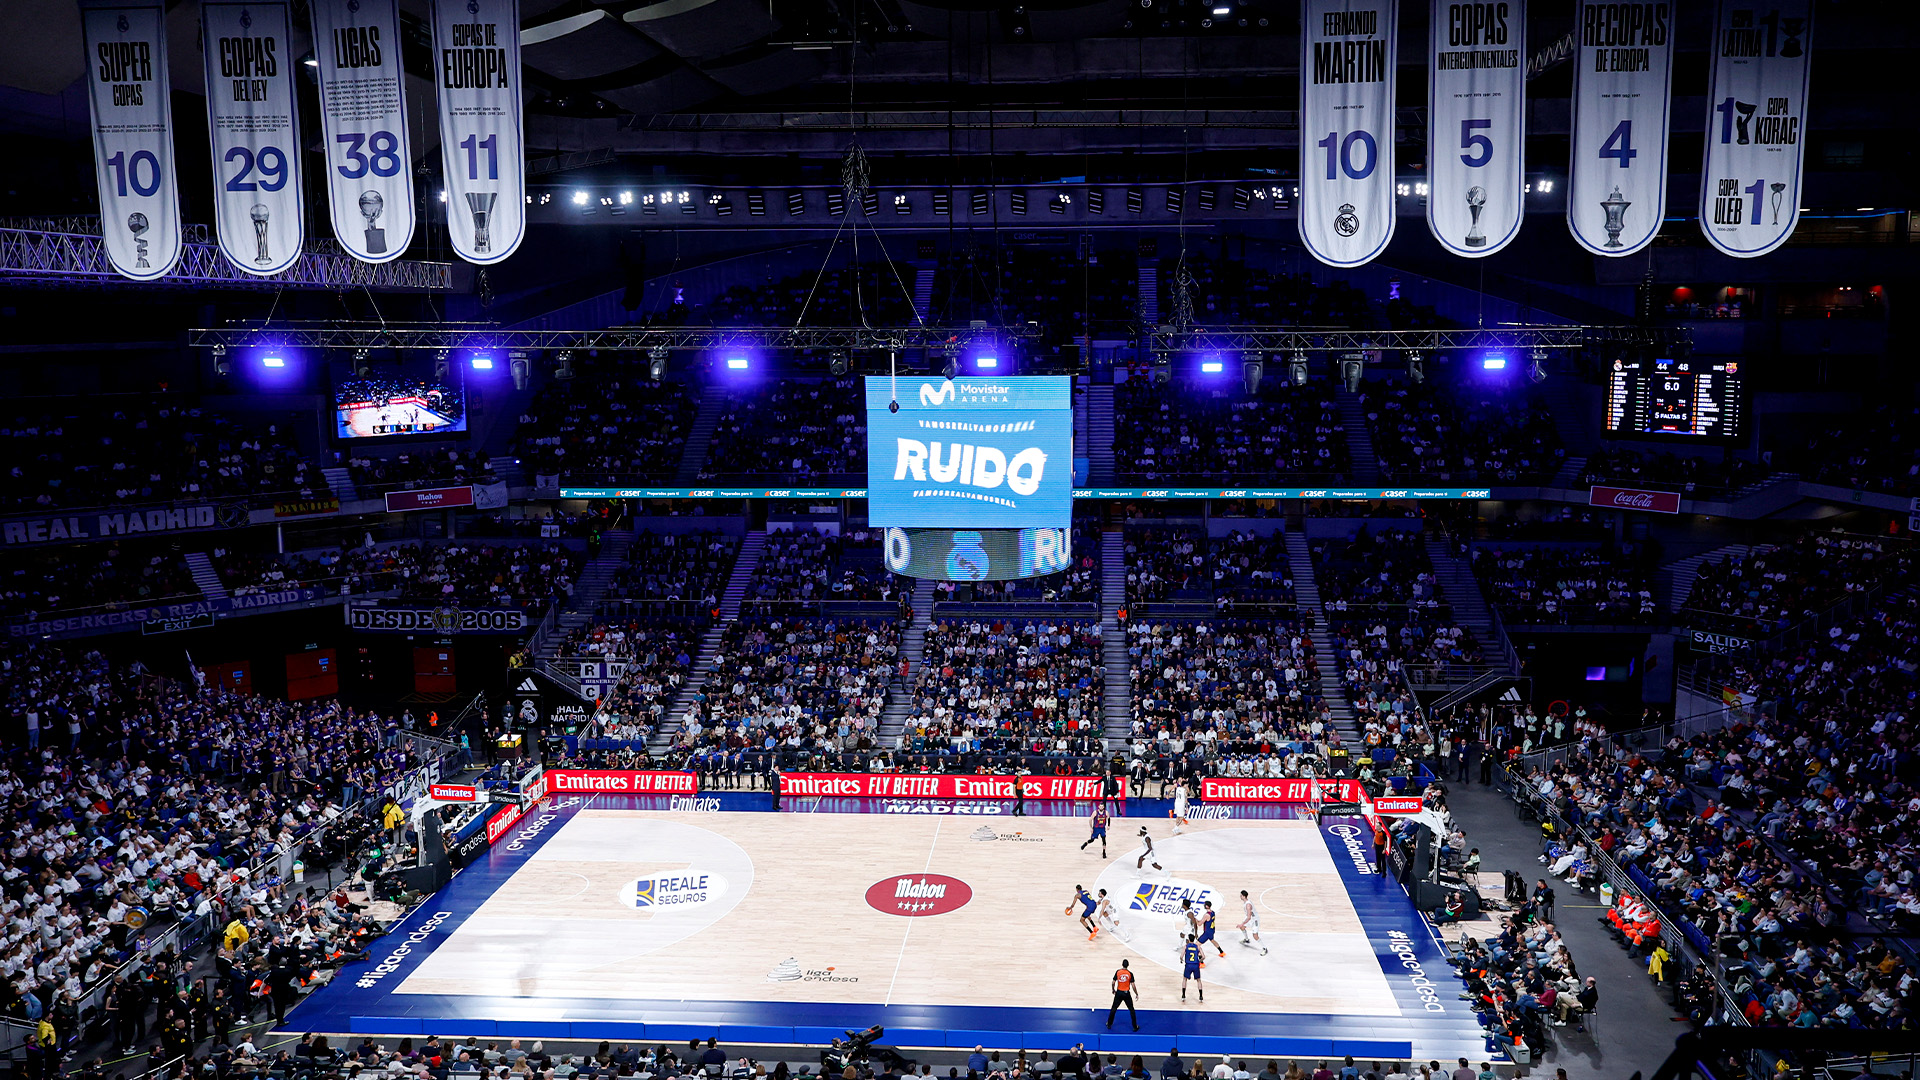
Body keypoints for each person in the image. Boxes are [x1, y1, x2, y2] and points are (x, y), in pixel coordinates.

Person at [1107, 959, 1141, 1031]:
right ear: (1128, 965)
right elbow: (1133, 985)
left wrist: (1113, 990)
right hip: (1126, 994)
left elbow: (1113, 982)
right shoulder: (1130, 974)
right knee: (1131, 1010)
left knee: (1114, 1008)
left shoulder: (1118, 972)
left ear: (1122, 964)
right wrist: (1136, 993)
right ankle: (1135, 1027)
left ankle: (1109, 1024)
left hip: (1119, 993)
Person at [1237, 890, 1268, 955]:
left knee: (1255, 936)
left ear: (1244, 896)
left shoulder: (1248, 905)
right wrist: (1242, 925)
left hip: (1254, 920)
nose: (1240, 896)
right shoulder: (1246, 901)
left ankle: (1265, 948)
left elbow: (1248, 917)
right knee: (1242, 927)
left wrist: (1241, 923)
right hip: (1250, 918)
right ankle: (1247, 939)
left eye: (1241, 895)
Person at [1180, 935, 1205, 1002]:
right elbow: (1203, 956)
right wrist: (1199, 961)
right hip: (1196, 965)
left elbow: (1181, 956)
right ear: (1194, 939)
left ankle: (1183, 995)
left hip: (1188, 965)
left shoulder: (1186, 946)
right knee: (1198, 980)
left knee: (1185, 979)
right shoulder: (1198, 946)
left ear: (1188, 939)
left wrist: (1181, 960)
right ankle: (1200, 996)